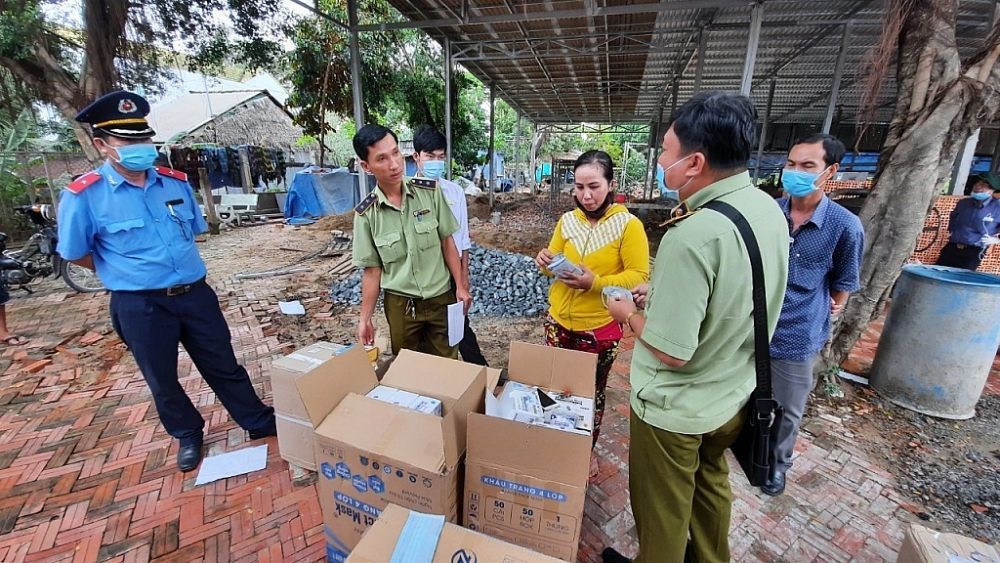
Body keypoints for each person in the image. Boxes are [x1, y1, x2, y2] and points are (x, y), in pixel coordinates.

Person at [604, 91, 789, 563]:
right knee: (709, 487)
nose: (662, 160)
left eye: (666, 150)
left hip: (677, 411)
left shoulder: (692, 235)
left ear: (695, 162)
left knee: (662, 512)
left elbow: (673, 352)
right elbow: (738, 293)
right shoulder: (767, 210)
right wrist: (663, 298)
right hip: (732, 396)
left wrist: (629, 314)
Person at [57, 91, 276, 473]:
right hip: (140, 304)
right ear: (102, 144)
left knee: (223, 362)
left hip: (195, 295)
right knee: (162, 377)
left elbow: (193, 231)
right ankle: (188, 434)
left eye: (143, 138)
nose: (139, 147)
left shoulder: (175, 183)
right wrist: (123, 273)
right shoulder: (85, 195)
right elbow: (75, 251)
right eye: (127, 140)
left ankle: (255, 420)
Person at [534, 150, 649, 481]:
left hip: (597, 329)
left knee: (588, 395)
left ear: (611, 184)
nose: (585, 195)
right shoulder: (567, 221)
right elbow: (552, 265)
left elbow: (638, 276)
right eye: (579, 186)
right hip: (558, 322)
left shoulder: (628, 225)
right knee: (554, 389)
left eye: (594, 186)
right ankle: (557, 445)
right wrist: (546, 262)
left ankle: (584, 454)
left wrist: (595, 283)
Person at [764, 134, 865, 496]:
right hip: (752, 326)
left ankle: (777, 465)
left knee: (788, 408)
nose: (795, 173)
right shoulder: (767, 213)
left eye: (808, 166)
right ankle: (746, 446)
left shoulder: (844, 226)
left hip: (797, 333)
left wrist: (832, 306)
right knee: (744, 394)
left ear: (831, 171)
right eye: (791, 164)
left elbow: (844, 283)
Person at [351, 124, 471, 358]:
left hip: (441, 297)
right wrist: (364, 319)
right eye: (382, 158)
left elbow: (448, 242)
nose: (394, 164)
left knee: (447, 364)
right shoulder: (367, 214)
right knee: (408, 367)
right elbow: (372, 272)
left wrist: (460, 285)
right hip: (401, 307)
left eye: (395, 153)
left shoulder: (430, 191)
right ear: (366, 166)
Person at [411, 125, 488, 366]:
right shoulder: (406, 193)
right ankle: (431, 373)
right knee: (423, 326)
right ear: (416, 157)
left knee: (458, 321)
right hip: (420, 275)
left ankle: (479, 368)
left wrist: (463, 279)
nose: (436, 161)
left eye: (440, 157)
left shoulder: (453, 192)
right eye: (430, 156)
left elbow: (462, 239)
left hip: (451, 270)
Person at [937, 173, 1000, 271]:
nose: (978, 186)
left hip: (973, 251)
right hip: (952, 246)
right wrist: (952, 231)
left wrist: (996, 240)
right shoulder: (964, 203)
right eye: (977, 183)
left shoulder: (997, 208)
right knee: (937, 273)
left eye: (983, 184)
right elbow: (953, 218)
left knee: (960, 279)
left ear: (992, 189)